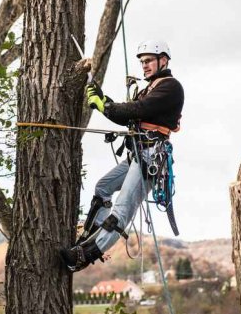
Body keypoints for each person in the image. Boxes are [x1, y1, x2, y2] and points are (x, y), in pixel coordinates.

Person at [60, 40, 184, 272]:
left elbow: (136, 111)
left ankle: (82, 256)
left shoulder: (170, 87)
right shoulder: (150, 87)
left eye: (148, 61)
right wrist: (104, 102)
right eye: (142, 62)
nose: (144, 66)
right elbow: (127, 114)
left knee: (122, 210)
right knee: (103, 187)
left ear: (163, 60)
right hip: (137, 154)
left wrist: (103, 104)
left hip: (150, 157)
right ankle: (92, 235)